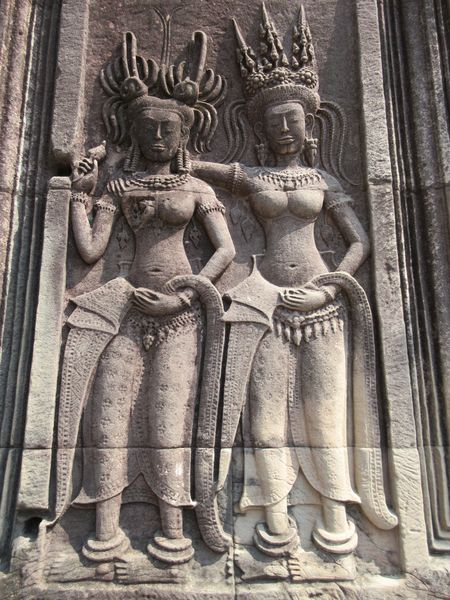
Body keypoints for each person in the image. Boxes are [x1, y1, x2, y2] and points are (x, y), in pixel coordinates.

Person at [193, 5, 397, 557]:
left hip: (321, 307)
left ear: (310, 124)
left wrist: (330, 287)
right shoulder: (253, 177)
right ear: (260, 128)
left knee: (325, 416)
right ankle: (276, 522)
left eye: (294, 119)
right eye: (274, 121)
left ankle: (334, 520)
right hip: (264, 303)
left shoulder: (323, 180)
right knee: (264, 420)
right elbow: (201, 169)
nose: (285, 128)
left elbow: (358, 243)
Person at [53, 31, 234, 570]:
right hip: (125, 309)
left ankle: (174, 534)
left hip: (179, 314)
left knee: (167, 418)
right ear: (132, 132)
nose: (157, 135)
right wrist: (79, 195)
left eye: (167, 128)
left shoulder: (197, 189)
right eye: (148, 127)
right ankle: (104, 535)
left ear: (183, 134)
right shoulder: (119, 187)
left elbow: (224, 251)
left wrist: (186, 296)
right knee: (108, 417)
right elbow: (91, 251)